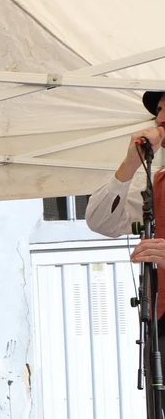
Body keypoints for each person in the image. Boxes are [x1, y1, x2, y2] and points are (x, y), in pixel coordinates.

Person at [86, 90, 165, 289]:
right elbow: (101, 222)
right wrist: (130, 163)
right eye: (159, 110)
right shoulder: (158, 181)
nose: (160, 119)